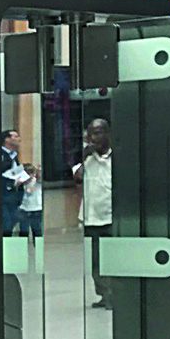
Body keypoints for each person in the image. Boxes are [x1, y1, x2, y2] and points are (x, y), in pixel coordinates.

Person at [74, 117, 115, 310]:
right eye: (90, 134)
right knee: (96, 261)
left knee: (112, 259)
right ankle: (103, 294)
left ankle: (114, 294)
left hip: (111, 216)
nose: (93, 138)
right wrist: (84, 158)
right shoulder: (87, 158)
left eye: (97, 133)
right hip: (91, 218)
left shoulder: (117, 157)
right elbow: (77, 178)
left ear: (107, 134)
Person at [0, 128, 24, 236]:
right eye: (16, 136)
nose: (19, 139)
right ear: (7, 139)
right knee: (6, 222)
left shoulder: (14, 155)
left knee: (15, 218)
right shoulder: (1, 154)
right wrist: (12, 181)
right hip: (3, 194)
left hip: (14, 194)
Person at [15, 162, 44, 238]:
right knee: (23, 231)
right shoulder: (21, 183)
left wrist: (38, 170)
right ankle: (22, 245)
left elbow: (30, 189)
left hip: (36, 209)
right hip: (23, 209)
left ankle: (37, 245)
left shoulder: (36, 181)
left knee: (37, 231)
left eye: (29, 174)